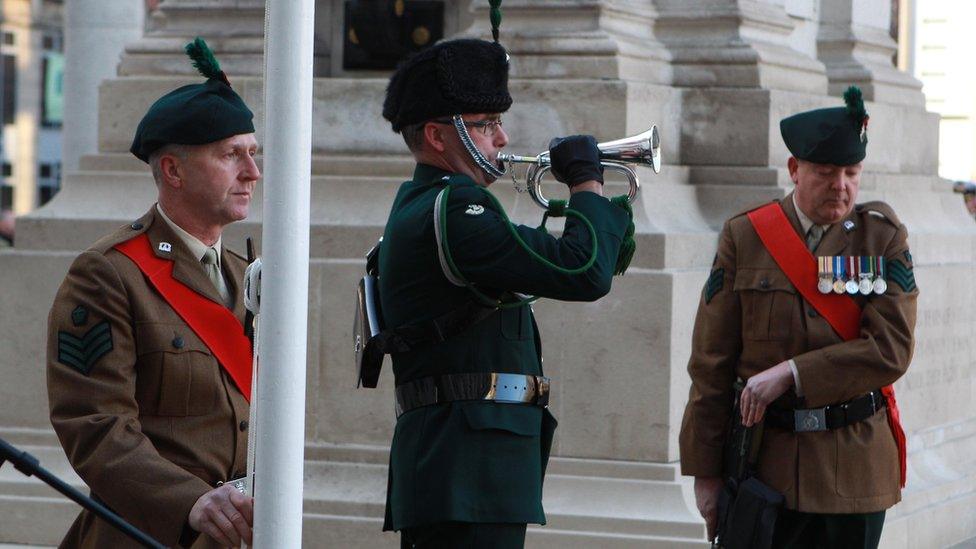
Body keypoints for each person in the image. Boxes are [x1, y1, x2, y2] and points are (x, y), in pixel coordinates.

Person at [377, 35, 636, 548]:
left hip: (467, 463)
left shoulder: (435, 204)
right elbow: (584, 270)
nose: (502, 137)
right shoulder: (456, 208)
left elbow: (592, 261)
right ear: (436, 134)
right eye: (486, 124)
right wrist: (585, 183)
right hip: (467, 467)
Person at [679, 87, 918, 548]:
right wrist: (705, 473)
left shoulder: (882, 239)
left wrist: (791, 374)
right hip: (765, 473)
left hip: (854, 473)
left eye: (851, 173)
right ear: (794, 169)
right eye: (826, 173)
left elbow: (892, 349)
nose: (841, 186)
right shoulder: (746, 236)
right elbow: (711, 363)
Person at [46, 39, 258, 548]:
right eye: (231, 155)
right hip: (147, 534)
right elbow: (94, 424)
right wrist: (192, 502)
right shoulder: (109, 274)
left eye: (253, 153)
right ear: (173, 171)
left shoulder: (245, 274)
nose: (253, 172)